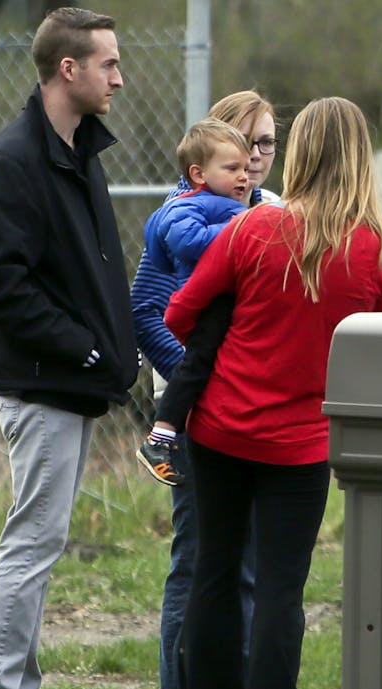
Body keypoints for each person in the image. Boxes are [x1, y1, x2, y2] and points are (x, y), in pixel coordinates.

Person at [169, 96, 382, 689]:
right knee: (279, 592)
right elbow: (370, 354)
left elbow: (180, 314)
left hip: (217, 429)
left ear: (299, 152)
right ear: (361, 157)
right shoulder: (381, 252)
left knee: (213, 573)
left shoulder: (251, 230)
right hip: (301, 444)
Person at [0, 7, 135, 689]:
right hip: (40, 385)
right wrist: (82, 347)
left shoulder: (77, 153)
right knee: (31, 538)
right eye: (108, 65)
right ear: (69, 69)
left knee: (41, 537)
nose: (119, 78)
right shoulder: (13, 160)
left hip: (70, 385)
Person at [130, 90, 279, 689]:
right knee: (198, 562)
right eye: (241, 148)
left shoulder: (272, 213)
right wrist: (192, 376)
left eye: (265, 146)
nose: (253, 162)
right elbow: (150, 311)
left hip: (258, 411)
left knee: (248, 566)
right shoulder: (182, 214)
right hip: (196, 410)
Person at [133, 117, 251, 486]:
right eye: (232, 168)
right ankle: (160, 438)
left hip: (225, 304)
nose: (244, 176)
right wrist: (242, 229)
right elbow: (185, 240)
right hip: (207, 306)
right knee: (195, 367)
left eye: (245, 168)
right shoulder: (191, 206)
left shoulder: (222, 203)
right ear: (198, 173)